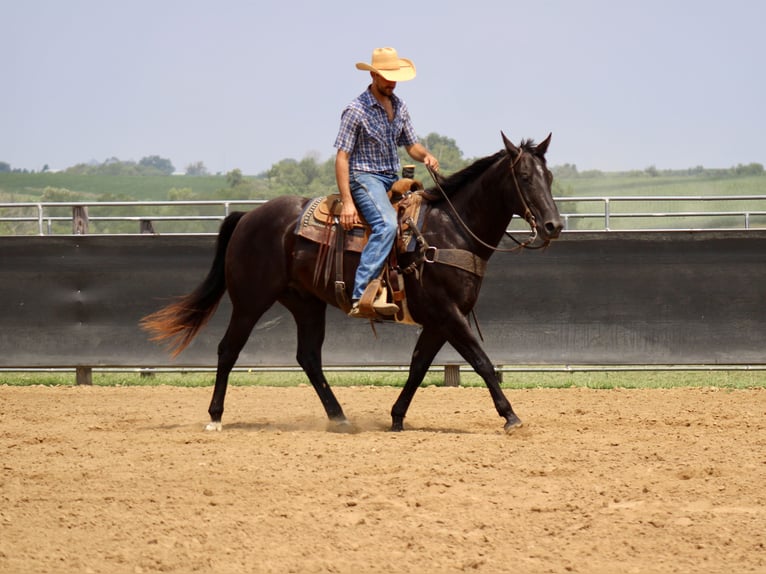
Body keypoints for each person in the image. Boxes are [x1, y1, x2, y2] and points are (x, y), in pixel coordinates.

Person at [334, 47, 439, 318]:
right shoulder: (356, 110)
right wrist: (347, 201)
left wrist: (425, 155)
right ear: (372, 75)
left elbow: (411, 145)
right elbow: (342, 158)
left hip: (392, 178)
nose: (391, 82)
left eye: (395, 77)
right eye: (386, 76)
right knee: (386, 224)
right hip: (364, 177)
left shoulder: (400, 106)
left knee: (422, 220)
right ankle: (362, 295)